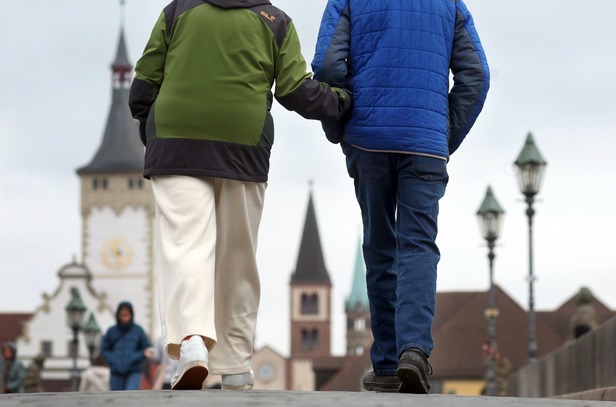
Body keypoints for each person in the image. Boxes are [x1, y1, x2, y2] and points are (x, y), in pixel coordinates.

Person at [129, 0, 351, 391]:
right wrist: (342, 101)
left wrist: (150, 125)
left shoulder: (177, 10)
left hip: (176, 142)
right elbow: (297, 91)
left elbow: (144, 83)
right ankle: (234, 365)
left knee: (186, 245)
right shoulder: (276, 22)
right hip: (243, 146)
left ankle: (193, 343)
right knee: (237, 254)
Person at [312, 0, 490, 394]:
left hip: (369, 138)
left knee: (379, 246)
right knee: (418, 244)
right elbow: (476, 75)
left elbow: (327, 67)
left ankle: (388, 364)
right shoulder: (450, 3)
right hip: (424, 143)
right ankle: (415, 352)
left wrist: (338, 126)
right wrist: (443, 136)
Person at [100, 301, 153, 390]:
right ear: (118, 315)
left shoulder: (138, 330)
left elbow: (147, 349)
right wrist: (113, 360)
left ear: (131, 315)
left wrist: (136, 357)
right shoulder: (111, 331)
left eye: (127, 314)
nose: (125, 317)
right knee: (116, 399)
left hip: (134, 371)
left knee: (130, 396)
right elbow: (104, 350)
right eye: (122, 314)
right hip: (116, 372)